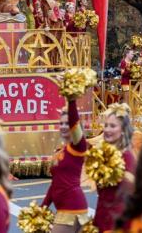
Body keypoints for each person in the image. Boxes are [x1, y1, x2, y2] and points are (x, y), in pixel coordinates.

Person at [42, 94, 89, 232]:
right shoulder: (62, 151)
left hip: (72, 208)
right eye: (61, 123)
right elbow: (55, 183)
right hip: (65, 208)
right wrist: (42, 207)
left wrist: (71, 99)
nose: (63, 126)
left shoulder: (79, 146)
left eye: (67, 123)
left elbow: (74, 120)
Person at [94, 103, 136, 233]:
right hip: (101, 217)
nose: (107, 130)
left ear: (123, 130)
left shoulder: (127, 156)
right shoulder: (103, 154)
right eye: (106, 125)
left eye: (112, 126)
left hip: (117, 222)